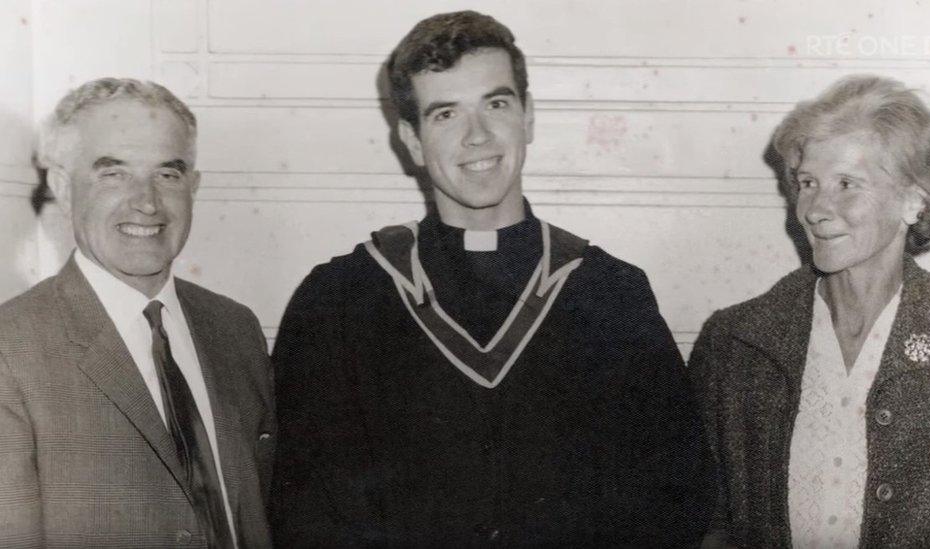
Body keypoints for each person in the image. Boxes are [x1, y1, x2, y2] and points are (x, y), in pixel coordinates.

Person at [271, 10, 712, 547]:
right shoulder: (338, 301)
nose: (477, 136)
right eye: (445, 114)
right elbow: (305, 512)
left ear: (527, 117)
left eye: (496, 104)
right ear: (410, 140)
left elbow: (676, 502)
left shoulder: (610, 293)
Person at [690, 75, 930, 548]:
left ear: (912, 200)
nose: (817, 209)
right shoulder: (735, 344)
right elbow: (700, 520)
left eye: (847, 183)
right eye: (808, 183)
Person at [0, 78, 275, 548]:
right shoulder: (13, 347)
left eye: (168, 174)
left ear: (194, 186)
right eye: (114, 173)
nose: (147, 202)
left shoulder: (235, 329)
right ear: (62, 187)